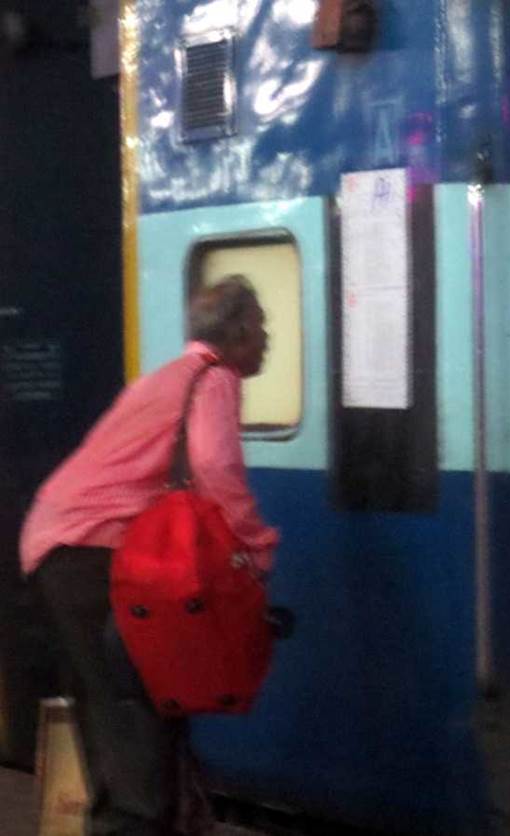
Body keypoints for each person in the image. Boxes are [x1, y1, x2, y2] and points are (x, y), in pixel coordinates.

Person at [20, 275, 279, 836]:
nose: (269, 339)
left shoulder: (169, 376)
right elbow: (215, 469)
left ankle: (143, 817)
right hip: (90, 552)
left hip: (62, 549)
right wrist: (255, 548)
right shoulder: (214, 378)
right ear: (237, 333)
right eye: (262, 326)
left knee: (121, 708)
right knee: (133, 713)